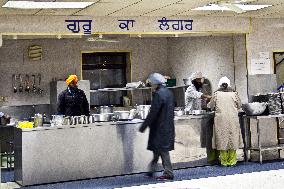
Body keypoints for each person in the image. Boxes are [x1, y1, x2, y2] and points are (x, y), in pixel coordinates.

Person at [139, 73, 175, 181]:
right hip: (167, 126)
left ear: (155, 83)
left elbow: (153, 112)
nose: (151, 86)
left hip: (160, 127)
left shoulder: (159, 94)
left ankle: (169, 173)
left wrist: (144, 126)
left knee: (162, 150)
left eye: (151, 83)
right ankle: (151, 171)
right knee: (158, 150)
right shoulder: (169, 93)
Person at [207, 76, 243, 167]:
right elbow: (239, 105)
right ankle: (232, 161)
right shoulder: (234, 94)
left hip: (221, 120)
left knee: (222, 139)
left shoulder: (216, 94)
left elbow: (210, 106)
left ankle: (224, 161)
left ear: (219, 84)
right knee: (233, 138)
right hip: (232, 119)